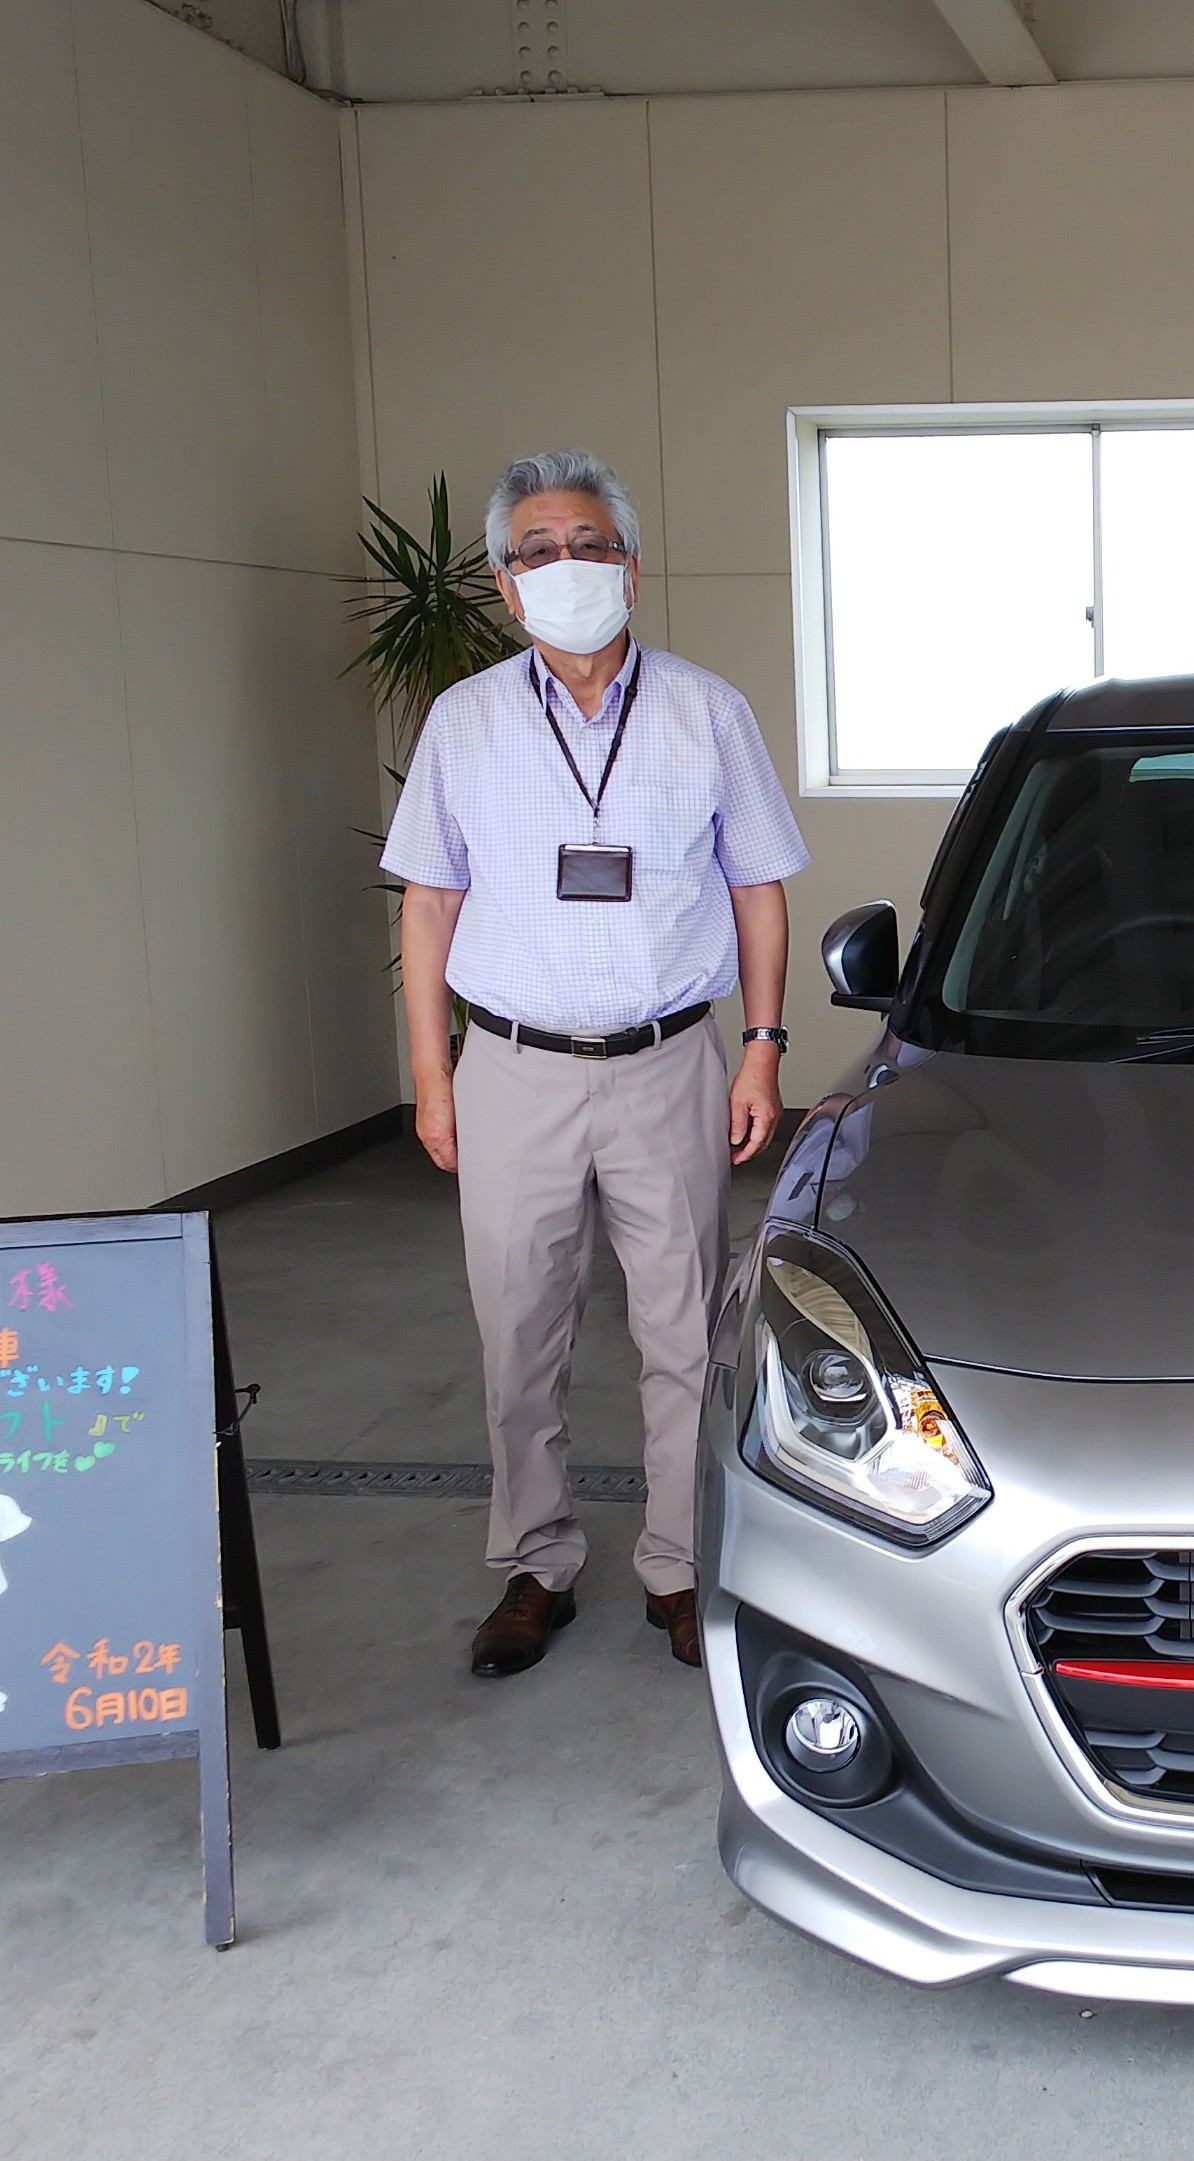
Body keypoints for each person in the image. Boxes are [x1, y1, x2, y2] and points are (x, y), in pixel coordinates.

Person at [380, 449, 807, 1678]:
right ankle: (535, 1561)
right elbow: (429, 904)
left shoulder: (706, 711)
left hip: (666, 1063)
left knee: (684, 1329)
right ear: (505, 585)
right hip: (510, 1068)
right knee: (518, 1327)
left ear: (632, 565)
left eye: (588, 544)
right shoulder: (464, 721)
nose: (565, 566)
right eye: (537, 550)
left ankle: (678, 1564)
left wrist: (761, 1051)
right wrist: (432, 1078)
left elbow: (758, 888)